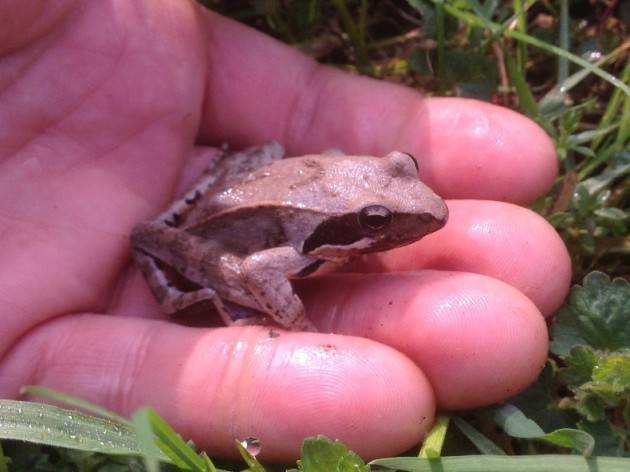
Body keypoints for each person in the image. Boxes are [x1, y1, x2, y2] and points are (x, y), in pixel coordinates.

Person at [0, 0, 571, 462]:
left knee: (271, 150)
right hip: (228, 233)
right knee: (222, 263)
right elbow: (254, 265)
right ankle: (182, 296)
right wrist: (295, 323)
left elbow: (322, 167)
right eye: (377, 222)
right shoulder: (284, 249)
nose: (412, 215)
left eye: (404, 171)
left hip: (266, 188)